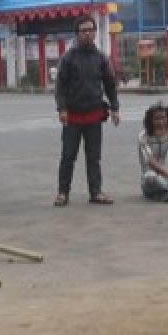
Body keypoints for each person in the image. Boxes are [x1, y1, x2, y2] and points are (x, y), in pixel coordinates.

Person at [53, 16, 120, 206]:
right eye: (84, 30)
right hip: (72, 115)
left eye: (91, 30)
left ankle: (96, 192)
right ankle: (63, 192)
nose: (88, 33)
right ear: (77, 34)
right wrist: (62, 108)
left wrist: (115, 107)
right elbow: (60, 86)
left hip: (94, 114)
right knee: (68, 156)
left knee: (94, 156)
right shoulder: (68, 58)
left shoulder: (100, 58)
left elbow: (109, 84)